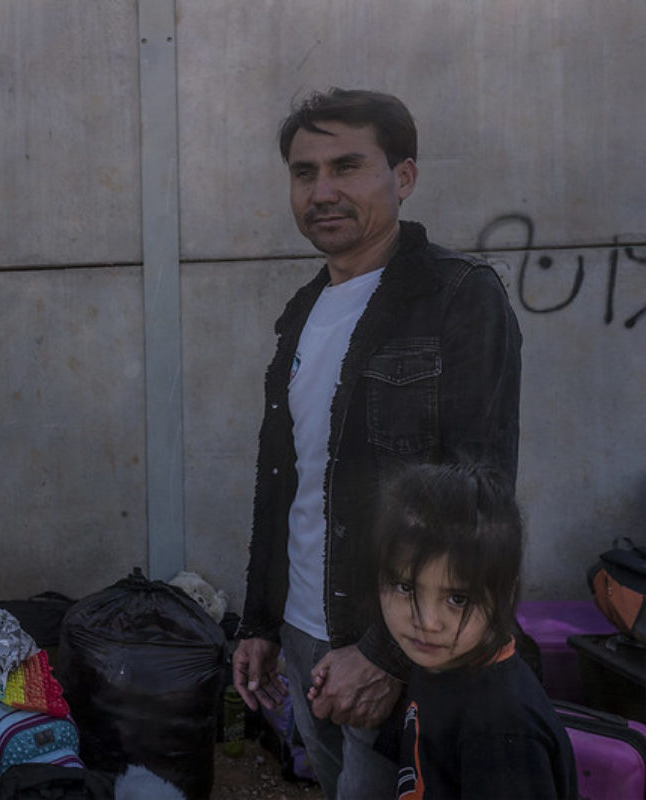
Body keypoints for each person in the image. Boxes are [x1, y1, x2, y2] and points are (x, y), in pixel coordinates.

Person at [232, 88, 522, 799]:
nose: (322, 191)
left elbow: (476, 498)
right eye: (305, 173)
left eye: (348, 166)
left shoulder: (458, 296)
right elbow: (287, 484)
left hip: (394, 646)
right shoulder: (303, 311)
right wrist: (262, 623)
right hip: (305, 637)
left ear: (405, 176)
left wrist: (388, 656)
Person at [359, 462, 576, 799]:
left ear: (505, 594)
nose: (428, 622)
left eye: (458, 598)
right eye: (406, 588)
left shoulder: (504, 730)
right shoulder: (437, 660)